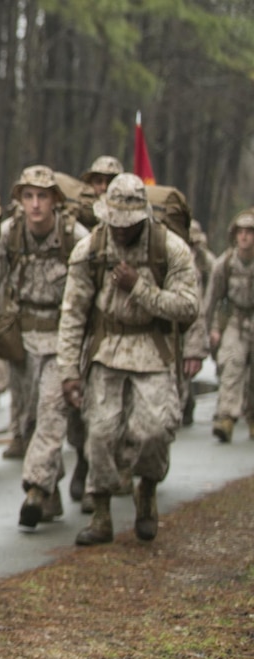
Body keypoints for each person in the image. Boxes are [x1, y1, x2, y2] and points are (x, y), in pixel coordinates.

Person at [57, 173, 199, 545]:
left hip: (153, 349)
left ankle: (147, 492)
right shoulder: (90, 249)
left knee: (154, 431)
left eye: (128, 225)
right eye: (114, 223)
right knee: (101, 433)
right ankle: (101, 512)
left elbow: (188, 306)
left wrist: (139, 288)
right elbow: (72, 314)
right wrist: (69, 371)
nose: (120, 231)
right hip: (107, 350)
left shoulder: (171, 249)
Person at [0, 165, 88, 528]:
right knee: (29, 420)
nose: (35, 204)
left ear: (55, 200)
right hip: (22, 341)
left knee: (51, 411)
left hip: (62, 339)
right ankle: (52, 490)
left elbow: (90, 290)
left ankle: (34, 488)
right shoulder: (10, 235)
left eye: (42, 196)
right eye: (28, 196)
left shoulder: (75, 236)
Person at [204, 210, 254, 442]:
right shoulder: (224, 264)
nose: (244, 237)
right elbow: (212, 300)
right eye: (241, 232)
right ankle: (225, 418)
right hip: (235, 321)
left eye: (249, 232)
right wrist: (210, 329)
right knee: (231, 365)